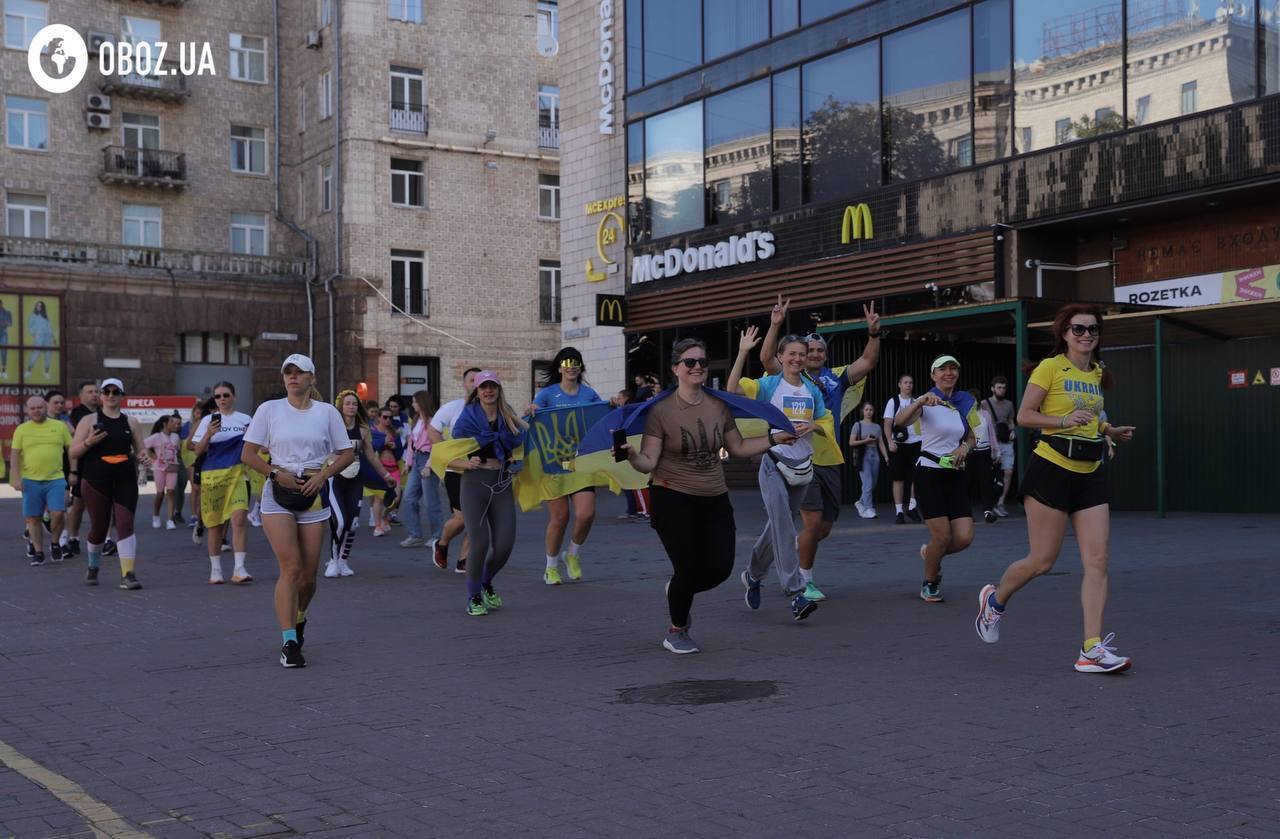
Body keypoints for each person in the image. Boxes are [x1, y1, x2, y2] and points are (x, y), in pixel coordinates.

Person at [975, 305, 1136, 674]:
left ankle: (1091, 649)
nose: (1086, 335)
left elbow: (1092, 416)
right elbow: (1025, 415)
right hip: (1051, 469)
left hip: (1090, 472)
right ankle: (995, 601)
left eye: (1093, 329)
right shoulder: (1050, 368)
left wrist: (1108, 432)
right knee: (1042, 561)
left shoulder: (1097, 372)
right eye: (1078, 329)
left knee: (1097, 561)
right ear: (1064, 333)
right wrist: (1063, 420)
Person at [621, 338, 795, 653]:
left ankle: (678, 590)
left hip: (714, 496)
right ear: (676, 369)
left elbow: (739, 448)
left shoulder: (718, 405)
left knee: (720, 568)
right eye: (690, 362)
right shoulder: (661, 411)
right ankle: (677, 629)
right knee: (687, 566)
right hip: (671, 495)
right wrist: (632, 454)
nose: (698, 366)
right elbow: (648, 461)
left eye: (702, 360)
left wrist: (774, 437)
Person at [759, 296, 881, 599]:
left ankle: (779, 558)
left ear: (825, 355)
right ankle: (804, 580)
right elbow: (765, 360)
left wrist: (874, 333)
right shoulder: (789, 374)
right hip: (800, 459)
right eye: (807, 350)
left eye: (818, 350)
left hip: (832, 459)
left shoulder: (836, 377)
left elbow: (868, 362)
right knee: (812, 524)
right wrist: (775, 325)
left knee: (824, 527)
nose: (812, 354)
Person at [241, 354, 355, 668]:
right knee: (290, 568)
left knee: (308, 578)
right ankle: (289, 642)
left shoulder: (326, 412)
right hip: (279, 491)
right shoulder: (269, 410)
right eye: (287, 372)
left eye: (299, 372)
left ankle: (300, 616)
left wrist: (322, 476)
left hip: (314, 491)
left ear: (311, 378)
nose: (292, 377)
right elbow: (248, 454)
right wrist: (276, 474)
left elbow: (347, 453)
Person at [727, 326, 824, 621]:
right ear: (780, 357)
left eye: (802, 354)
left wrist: (814, 427)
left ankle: (753, 574)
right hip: (772, 463)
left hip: (802, 466)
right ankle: (796, 593)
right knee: (784, 524)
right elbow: (732, 391)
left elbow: (824, 420)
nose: (797, 358)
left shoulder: (812, 389)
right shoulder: (769, 385)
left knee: (777, 527)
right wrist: (744, 351)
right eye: (791, 354)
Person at [893, 355, 980, 603]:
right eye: (943, 369)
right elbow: (900, 422)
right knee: (942, 537)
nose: (948, 373)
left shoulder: (963, 402)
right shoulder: (927, 400)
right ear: (933, 375)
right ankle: (930, 583)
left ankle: (931, 554)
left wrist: (965, 449)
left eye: (953, 368)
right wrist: (919, 400)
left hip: (955, 476)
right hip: (929, 473)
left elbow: (972, 437)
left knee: (964, 538)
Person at [442, 371, 526, 616]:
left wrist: (533, 413)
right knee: (479, 542)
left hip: (501, 482)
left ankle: (485, 580)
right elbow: (450, 452)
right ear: (476, 392)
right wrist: (466, 462)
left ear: (499, 390)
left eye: (493, 387)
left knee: (505, 544)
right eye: (483, 387)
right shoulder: (467, 418)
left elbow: (522, 439)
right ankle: (474, 595)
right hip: (474, 483)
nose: (488, 391)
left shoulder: (507, 414)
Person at [527, 347, 604, 585]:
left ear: (581, 367)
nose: (571, 366)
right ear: (560, 367)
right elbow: (533, 412)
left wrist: (612, 405)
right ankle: (550, 566)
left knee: (586, 513)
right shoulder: (548, 394)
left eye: (576, 362)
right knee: (560, 518)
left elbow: (601, 417)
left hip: (579, 463)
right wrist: (531, 410)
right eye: (567, 362)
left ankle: (572, 554)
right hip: (553, 463)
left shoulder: (589, 394)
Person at [69, 378, 151, 589]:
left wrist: (144, 458)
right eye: (107, 391)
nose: (111, 395)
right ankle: (93, 566)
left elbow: (140, 449)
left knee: (125, 522)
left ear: (122, 395)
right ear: (101, 395)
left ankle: (128, 574)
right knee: (99, 526)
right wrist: (89, 442)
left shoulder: (131, 422)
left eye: (116, 392)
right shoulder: (88, 421)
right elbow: (73, 452)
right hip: (96, 480)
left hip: (124, 478)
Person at [324, 390, 394, 578]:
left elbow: (370, 456)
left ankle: (343, 561)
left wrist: (386, 474)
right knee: (339, 521)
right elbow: (321, 450)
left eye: (354, 404)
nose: (351, 407)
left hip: (355, 478)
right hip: (335, 478)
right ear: (341, 406)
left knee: (352, 523)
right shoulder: (331, 428)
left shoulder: (363, 430)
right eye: (347, 403)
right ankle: (332, 560)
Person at [191, 383, 254, 585]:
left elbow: (256, 446)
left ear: (234, 396)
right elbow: (197, 451)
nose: (222, 399)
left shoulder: (246, 419)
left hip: (238, 475)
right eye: (218, 396)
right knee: (216, 525)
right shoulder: (207, 421)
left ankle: (239, 568)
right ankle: (216, 570)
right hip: (213, 477)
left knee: (239, 519)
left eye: (226, 395)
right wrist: (209, 433)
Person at [11, 395, 72, 565]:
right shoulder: (21, 430)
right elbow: (15, 456)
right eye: (32, 408)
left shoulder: (59, 426)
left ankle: (54, 543)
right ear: (27, 411)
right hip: (30, 480)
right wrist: (15, 478)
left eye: (40, 407)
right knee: (33, 518)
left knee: (58, 513)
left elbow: (71, 450)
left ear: (46, 407)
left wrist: (74, 471)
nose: (36, 411)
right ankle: (38, 552)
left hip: (56, 478)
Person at [429, 367, 480, 572]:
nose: (476, 384)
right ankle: (441, 543)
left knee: (477, 518)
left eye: (480, 381)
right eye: (472, 380)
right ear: (464, 384)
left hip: (482, 469)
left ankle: (463, 560)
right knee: (462, 518)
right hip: (457, 470)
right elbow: (433, 431)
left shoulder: (492, 409)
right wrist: (448, 455)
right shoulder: (454, 407)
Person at [398, 390, 445, 550]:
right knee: (409, 497)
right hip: (418, 459)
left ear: (422, 402)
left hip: (427, 460)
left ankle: (437, 536)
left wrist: (429, 465)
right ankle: (415, 535)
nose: (412, 404)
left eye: (414, 402)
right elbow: (412, 443)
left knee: (431, 502)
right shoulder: (416, 420)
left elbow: (437, 446)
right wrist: (407, 463)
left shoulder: (433, 422)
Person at [64, 380, 101, 557]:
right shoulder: (77, 415)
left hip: (103, 463)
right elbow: (75, 442)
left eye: (96, 391)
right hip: (83, 463)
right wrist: (74, 470)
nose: (95, 394)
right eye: (90, 391)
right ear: (81, 396)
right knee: (78, 504)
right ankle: (73, 537)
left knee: (104, 503)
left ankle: (105, 540)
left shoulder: (104, 412)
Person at [883, 374, 923, 524]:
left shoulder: (918, 402)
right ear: (899, 384)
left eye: (911, 382)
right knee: (898, 478)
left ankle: (912, 507)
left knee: (917, 476)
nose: (908, 385)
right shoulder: (893, 402)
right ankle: (899, 511)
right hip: (898, 444)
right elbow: (887, 423)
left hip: (916, 443)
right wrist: (889, 442)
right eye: (905, 382)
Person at [848, 402, 886, 519]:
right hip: (863, 455)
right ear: (862, 412)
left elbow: (881, 443)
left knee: (872, 483)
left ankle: (860, 502)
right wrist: (866, 440)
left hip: (875, 455)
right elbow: (851, 442)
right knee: (868, 483)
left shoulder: (877, 426)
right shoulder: (857, 425)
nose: (869, 412)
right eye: (866, 410)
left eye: (871, 410)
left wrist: (886, 456)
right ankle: (868, 508)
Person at [986, 376, 1016, 517]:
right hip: (990, 442)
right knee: (989, 473)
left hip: (1005, 442)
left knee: (1008, 471)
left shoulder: (1009, 405)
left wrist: (1012, 430)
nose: (1001, 390)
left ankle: (1001, 502)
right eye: (999, 387)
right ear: (992, 388)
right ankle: (988, 503)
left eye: (1004, 387)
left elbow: (1011, 420)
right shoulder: (985, 404)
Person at [145, 414, 181, 530]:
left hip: (172, 468)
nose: (175, 424)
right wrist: (151, 455)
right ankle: (156, 515)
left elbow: (177, 451)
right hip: (159, 469)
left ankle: (170, 520)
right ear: (165, 424)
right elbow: (142, 445)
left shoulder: (176, 437)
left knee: (171, 491)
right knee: (160, 494)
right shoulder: (156, 437)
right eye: (172, 422)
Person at [969, 391, 999, 524]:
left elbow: (992, 433)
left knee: (986, 482)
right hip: (969, 452)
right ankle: (967, 513)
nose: (973, 402)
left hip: (984, 451)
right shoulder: (964, 414)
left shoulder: (985, 414)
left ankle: (988, 511)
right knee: (967, 483)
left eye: (975, 399)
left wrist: (996, 451)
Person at [25, 301, 55, 377]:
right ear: (36, 307)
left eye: (40, 306)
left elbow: (49, 327)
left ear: (43, 307)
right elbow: (30, 326)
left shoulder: (46, 316)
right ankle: (29, 370)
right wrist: (34, 333)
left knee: (48, 355)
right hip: (39, 336)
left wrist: (53, 337)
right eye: (38, 306)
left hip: (47, 336)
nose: (39, 307)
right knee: (35, 353)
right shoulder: (33, 316)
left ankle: (46, 372)